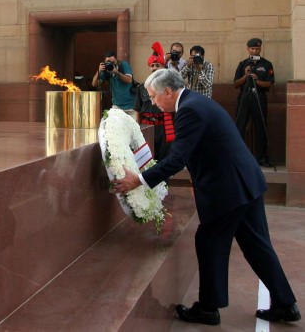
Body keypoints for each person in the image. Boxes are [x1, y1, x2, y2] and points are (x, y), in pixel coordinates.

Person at [112, 69, 300, 326]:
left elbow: (178, 158)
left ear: (168, 92)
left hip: (229, 189)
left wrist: (140, 180)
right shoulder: (196, 102)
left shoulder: (189, 110)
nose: (153, 102)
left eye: (154, 96)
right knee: (257, 246)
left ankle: (208, 309)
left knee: (210, 241)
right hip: (245, 183)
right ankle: (285, 304)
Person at [234, 38, 274, 168]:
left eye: (257, 49)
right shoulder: (243, 64)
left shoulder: (266, 64)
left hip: (259, 97)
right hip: (245, 96)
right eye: (252, 49)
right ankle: (237, 157)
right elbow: (235, 84)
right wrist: (246, 75)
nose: (255, 51)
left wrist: (257, 81)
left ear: (260, 49)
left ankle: (261, 157)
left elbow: (269, 83)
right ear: (248, 49)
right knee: (240, 126)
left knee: (260, 126)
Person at [134, 42, 175, 161]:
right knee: (147, 160)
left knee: (165, 160)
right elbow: (137, 110)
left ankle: (164, 180)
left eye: (157, 65)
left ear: (162, 67)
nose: (154, 68)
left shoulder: (170, 87)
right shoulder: (142, 88)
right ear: (149, 68)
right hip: (147, 127)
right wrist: (138, 130)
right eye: (152, 65)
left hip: (165, 128)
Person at [91, 50, 136, 118]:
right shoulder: (106, 70)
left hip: (130, 106)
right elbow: (94, 84)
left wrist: (117, 73)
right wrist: (99, 71)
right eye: (108, 62)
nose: (110, 64)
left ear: (116, 60)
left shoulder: (123, 65)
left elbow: (129, 80)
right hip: (117, 106)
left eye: (112, 62)